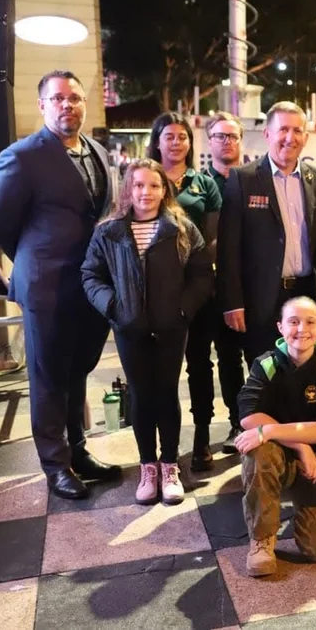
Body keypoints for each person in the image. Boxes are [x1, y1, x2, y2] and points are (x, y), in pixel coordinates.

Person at [0, 69, 121, 500]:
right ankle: (55, 465)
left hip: (90, 285)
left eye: (75, 98)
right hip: (46, 285)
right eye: (58, 98)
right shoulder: (22, 156)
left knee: (77, 371)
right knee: (48, 379)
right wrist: (33, 260)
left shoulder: (97, 151)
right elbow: (0, 223)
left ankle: (77, 450)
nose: (68, 105)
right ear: (42, 104)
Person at [82, 159, 213, 505]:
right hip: (130, 328)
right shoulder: (108, 231)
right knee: (140, 395)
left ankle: (169, 465)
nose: (146, 192)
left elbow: (202, 274)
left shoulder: (182, 229)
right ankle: (148, 466)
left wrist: (183, 309)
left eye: (154, 185)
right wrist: (114, 307)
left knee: (167, 393)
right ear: (128, 189)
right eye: (139, 185)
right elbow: (90, 275)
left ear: (164, 190)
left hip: (171, 327)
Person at [233, 296, 316, 577]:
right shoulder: (266, 364)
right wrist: (300, 446)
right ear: (280, 327)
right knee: (257, 450)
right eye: (293, 322)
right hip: (279, 453)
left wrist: (271, 430)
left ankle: (305, 503)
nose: (302, 329)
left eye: (310, 322)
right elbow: (248, 416)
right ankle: (261, 540)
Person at [216, 101, 316, 364]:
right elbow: (228, 249)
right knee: (265, 374)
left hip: (308, 295)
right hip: (262, 300)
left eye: (297, 131)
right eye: (283, 129)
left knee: (308, 376)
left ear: (305, 137)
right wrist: (233, 302)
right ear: (267, 134)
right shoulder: (243, 179)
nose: (290, 138)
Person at [147, 112, 224, 470]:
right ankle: (163, 447)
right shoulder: (147, 179)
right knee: (160, 369)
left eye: (182, 137)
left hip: (198, 287)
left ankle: (202, 438)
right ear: (157, 141)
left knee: (200, 364)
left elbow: (215, 237)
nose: (176, 143)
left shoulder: (203, 183)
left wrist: (197, 271)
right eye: (169, 136)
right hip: (156, 290)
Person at [202, 111, 249, 454]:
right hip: (216, 287)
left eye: (233, 136)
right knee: (228, 358)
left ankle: (262, 419)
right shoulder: (202, 185)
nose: (227, 142)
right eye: (220, 136)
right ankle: (236, 420)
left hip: (254, 283)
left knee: (261, 355)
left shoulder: (252, 179)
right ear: (210, 141)